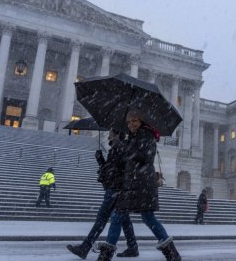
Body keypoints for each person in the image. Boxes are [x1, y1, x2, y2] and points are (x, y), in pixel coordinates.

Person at [96, 110, 181, 261]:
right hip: (132, 183)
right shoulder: (134, 137)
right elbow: (130, 160)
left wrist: (125, 147)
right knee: (120, 216)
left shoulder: (146, 135)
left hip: (142, 183)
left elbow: (145, 157)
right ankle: (106, 255)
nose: (131, 124)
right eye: (129, 122)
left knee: (146, 217)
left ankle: (171, 253)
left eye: (134, 121)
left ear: (142, 121)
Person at [66, 129, 139, 259]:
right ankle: (133, 246)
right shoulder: (118, 147)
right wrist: (100, 160)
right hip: (117, 187)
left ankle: (85, 247)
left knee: (102, 219)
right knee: (124, 219)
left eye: (111, 132)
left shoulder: (119, 147)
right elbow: (112, 168)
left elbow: (113, 170)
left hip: (115, 188)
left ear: (117, 134)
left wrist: (102, 164)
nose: (109, 134)